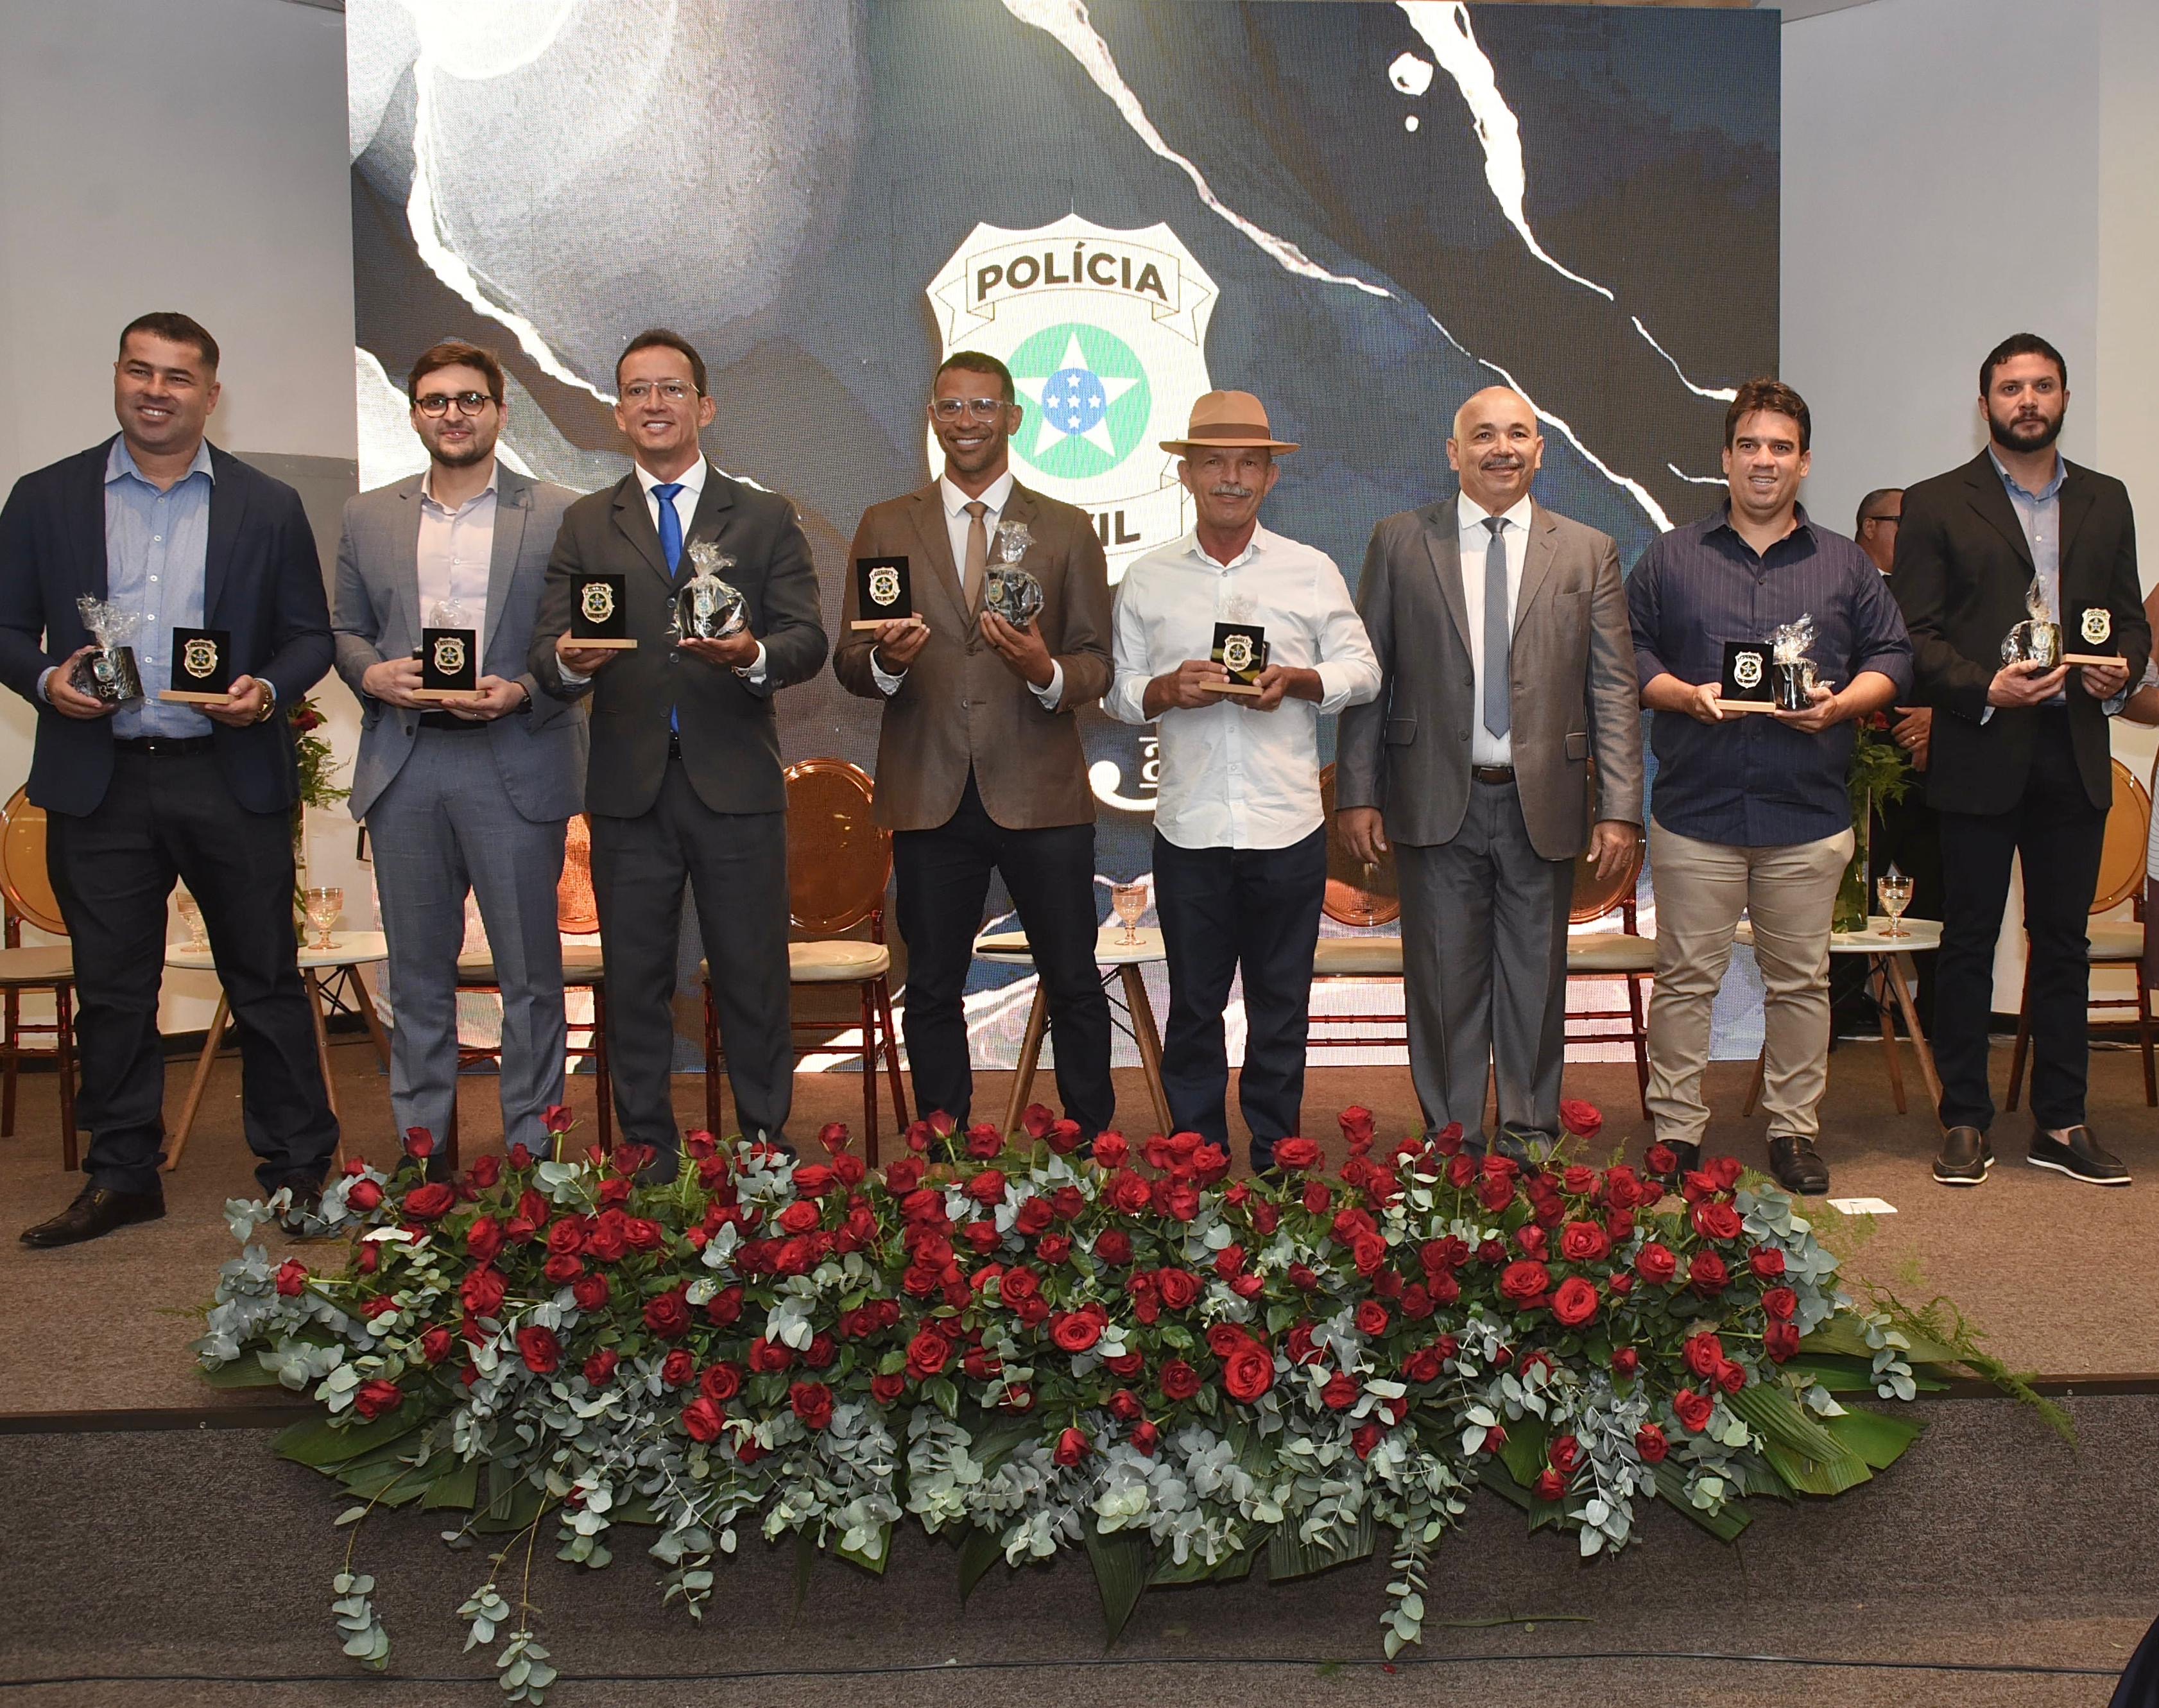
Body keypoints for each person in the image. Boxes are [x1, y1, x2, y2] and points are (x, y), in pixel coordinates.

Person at [0, 313, 339, 1246]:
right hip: (99, 780)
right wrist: (45, 680)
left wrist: (266, 691)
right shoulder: (46, 495)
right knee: (114, 988)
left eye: (178, 377)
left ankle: (298, 1167)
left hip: (227, 776)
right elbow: (5, 627)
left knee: (264, 979)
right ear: (117, 377)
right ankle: (122, 1176)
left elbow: (309, 636)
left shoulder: (268, 504)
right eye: (140, 371)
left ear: (211, 395)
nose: (156, 391)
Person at [530, 329, 827, 1175]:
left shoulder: (764, 515)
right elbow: (545, 653)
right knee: (635, 981)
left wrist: (753, 654)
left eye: (670, 389)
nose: (653, 404)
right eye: (636, 390)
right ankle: (648, 1153)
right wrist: (569, 662)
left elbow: (807, 639)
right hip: (628, 790)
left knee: (752, 978)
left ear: (705, 406)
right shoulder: (586, 522)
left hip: (735, 786)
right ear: (617, 412)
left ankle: (764, 1149)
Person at [1338, 386, 1643, 1159]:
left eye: (1516, 434)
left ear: (1540, 450)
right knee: (1442, 985)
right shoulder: (1399, 541)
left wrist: (1619, 807)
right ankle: (1453, 1146)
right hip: (1434, 799)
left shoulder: (1588, 551)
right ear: (1454, 453)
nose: (1500, 448)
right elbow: (1370, 677)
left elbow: (1612, 688)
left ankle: (1529, 1144)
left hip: (1544, 803)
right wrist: (1357, 792)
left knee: (1535, 984)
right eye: (1482, 435)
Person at [1626, 378, 1911, 1196]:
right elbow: (1628, 650)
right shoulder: (1672, 556)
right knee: (1686, 981)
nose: (1763, 460)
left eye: (1780, 447)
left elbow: (1893, 657)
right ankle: (1676, 1132)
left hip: (1805, 813)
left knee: (1801, 985)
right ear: (1725, 458)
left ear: (1804, 462)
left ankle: (1793, 1131)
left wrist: (1841, 706)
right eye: (1749, 445)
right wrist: (1679, 695)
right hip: (1697, 811)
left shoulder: (1845, 564)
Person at [834, 352, 1114, 1140]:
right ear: (932, 416)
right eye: (951, 407)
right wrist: (888, 661)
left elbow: (1097, 663)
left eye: (983, 406)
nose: (966, 421)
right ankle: (945, 1155)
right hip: (929, 791)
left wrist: (1044, 669)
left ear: (1013, 417)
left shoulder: (1065, 527)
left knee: (1073, 980)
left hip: (1042, 793)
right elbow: (849, 662)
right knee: (931, 987)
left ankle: (1088, 1150)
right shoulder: (885, 524)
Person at [1894, 334, 2150, 1189]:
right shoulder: (1936, 502)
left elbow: (2130, 620)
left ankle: (2061, 1122)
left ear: (2065, 398)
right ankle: (1965, 1120)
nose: (2028, 401)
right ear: (1985, 405)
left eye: (2043, 386)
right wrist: (1984, 687)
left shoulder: (2108, 498)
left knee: (2063, 944)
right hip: (1979, 744)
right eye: (2011, 388)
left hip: (2072, 748)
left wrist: (2123, 671)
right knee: (1967, 942)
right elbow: (1914, 635)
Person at [1106, 391, 1379, 1168]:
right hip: (1189, 829)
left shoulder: (1310, 570)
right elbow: (1119, 692)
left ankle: (1276, 1157)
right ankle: (1196, 1160)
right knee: (1193, 1007)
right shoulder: (1147, 578)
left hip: (1285, 827)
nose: (1230, 477)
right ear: (1186, 473)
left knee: (1280, 1007)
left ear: (1270, 476)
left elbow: (1363, 669)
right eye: (1214, 462)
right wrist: (1167, 689)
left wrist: (1297, 682)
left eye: (1248, 464)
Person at [332, 340, 584, 1164]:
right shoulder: (367, 515)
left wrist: (525, 689)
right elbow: (344, 629)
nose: (453, 414)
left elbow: (585, 640)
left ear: (500, 412)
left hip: (512, 759)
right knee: (415, 979)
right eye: (435, 400)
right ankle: (424, 1159)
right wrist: (373, 674)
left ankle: (533, 1162)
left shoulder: (560, 512)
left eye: (470, 399)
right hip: (407, 765)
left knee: (530, 979)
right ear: (414, 414)